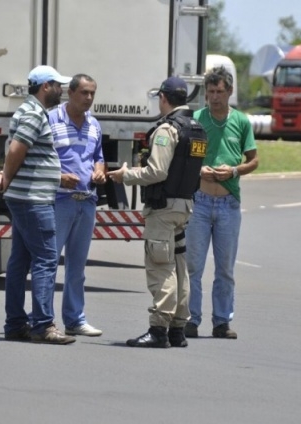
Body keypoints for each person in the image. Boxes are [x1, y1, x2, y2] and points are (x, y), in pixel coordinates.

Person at [107, 77, 207, 348]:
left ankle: (159, 329)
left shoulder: (167, 130)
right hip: (184, 205)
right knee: (178, 266)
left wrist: (125, 175)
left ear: (163, 97)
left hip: (163, 209)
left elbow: (157, 172)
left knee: (161, 267)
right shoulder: (197, 129)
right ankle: (177, 329)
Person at [0, 65, 75, 345]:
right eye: (58, 85)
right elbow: (17, 149)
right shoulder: (34, 113)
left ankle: (15, 324)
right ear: (45, 86)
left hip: (27, 196)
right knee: (46, 259)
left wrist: (55, 176)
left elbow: (28, 154)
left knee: (20, 261)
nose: (62, 91)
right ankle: (43, 325)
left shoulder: (30, 112)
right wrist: (6, 180)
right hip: (33, 200)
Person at [185, 66, 259, 340]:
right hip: (200, 202)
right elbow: (185, 156)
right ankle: (190, 319)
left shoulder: (241, 121)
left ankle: (221, 321)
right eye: (210, 91)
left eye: (220, 91)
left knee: (225, 268)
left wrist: (234, 171)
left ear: (229, 92)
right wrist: (198, 170)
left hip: (228, 203)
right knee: (193, 265)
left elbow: (253, 159)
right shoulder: (195, 119)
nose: (215, 97)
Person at [47, 74, 106, 337]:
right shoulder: (50, 120)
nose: (89, 98)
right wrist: (59, 177)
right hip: (59, 201)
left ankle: (75, 319)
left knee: (77, 267)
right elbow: (37, 159)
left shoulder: (94, 125)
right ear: (69, 93)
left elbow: (98, 157)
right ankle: (43, 319)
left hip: (87, 201)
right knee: (48, 262)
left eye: (92, 93)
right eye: (84, 93)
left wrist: (99, 171)